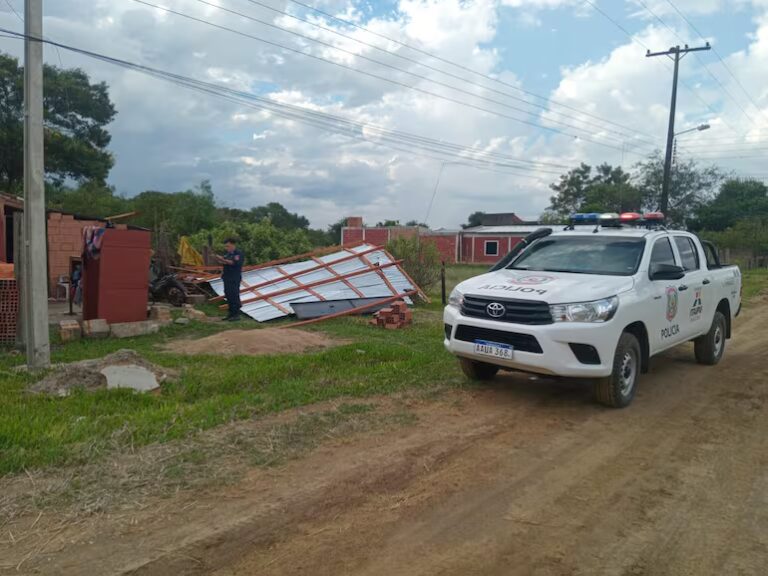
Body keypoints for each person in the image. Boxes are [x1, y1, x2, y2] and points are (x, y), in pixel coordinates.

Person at [215, 238, 244, 321]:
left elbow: (232, 263)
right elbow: (224, 262)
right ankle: (231, 313)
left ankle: (236, 314)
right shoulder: (228, 254)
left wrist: (222, 259)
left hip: (234, 277)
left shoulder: (238, 254)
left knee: (234, 295)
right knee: (228, 295)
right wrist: (217, 258)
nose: (226, 248)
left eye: (228, 246)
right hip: (227, 277)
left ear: (233, 245)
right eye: (226, 246)